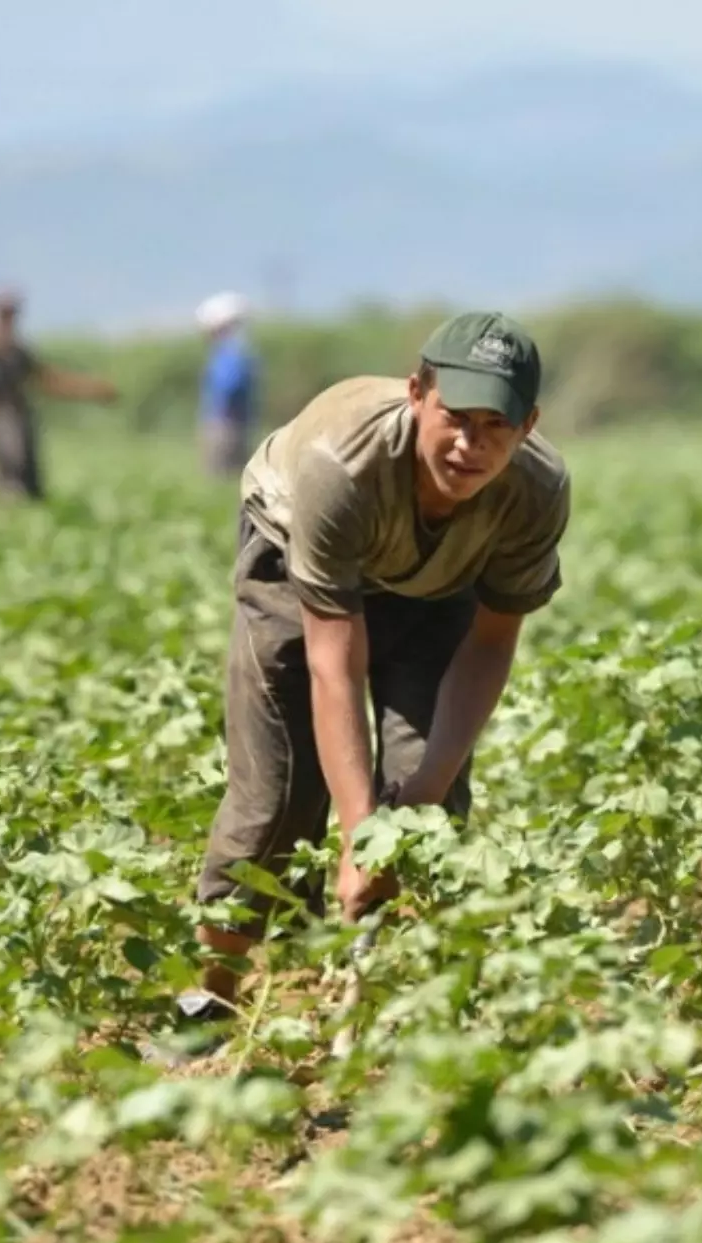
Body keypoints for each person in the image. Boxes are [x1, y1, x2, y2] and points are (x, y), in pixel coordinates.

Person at [177, 310, 571, 1033]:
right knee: (278, 797)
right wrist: (361, 836)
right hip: (296, 550)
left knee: (433, 795)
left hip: (437, 585)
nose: (469, 443)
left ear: (529, 426)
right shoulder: (342, 464)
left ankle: (396, 1019)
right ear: (418, 393)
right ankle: (211, 998)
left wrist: (415, 803)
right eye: (455, 415)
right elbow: (335, 662)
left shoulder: (533, 491)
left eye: (496, 426)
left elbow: (489, 644)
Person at [0, 289, 119, 500]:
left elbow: (47, 380)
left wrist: (92, 389)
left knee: (30, 480)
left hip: (21, 417)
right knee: (11, 474)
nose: (8, 320)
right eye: (4, 314)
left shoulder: (19, 351)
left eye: (11, 314)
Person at [196, 291, 257, 478]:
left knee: (222, 476)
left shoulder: (230, 349)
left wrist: (222, 415)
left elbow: (230, 385)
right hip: (236, 421)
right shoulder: (238, 348)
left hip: (225, 423)